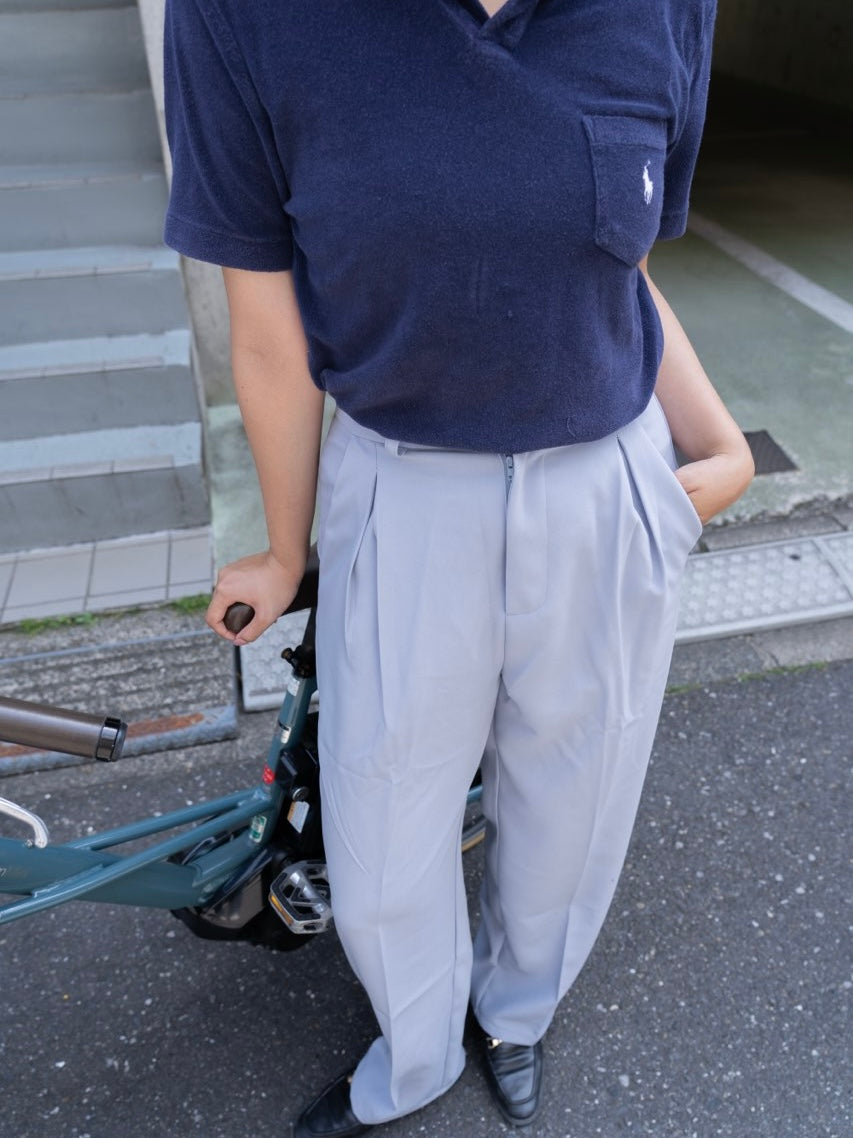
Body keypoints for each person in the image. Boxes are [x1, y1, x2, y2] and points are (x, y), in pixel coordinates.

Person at [163, 1, 753, 1134]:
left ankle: (515, 1013)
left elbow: (617, 264)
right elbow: (269, 332)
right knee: (383, 815)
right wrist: (285, 549)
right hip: (404, 480)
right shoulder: (243, 16)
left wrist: (715, 447)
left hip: (604, 479)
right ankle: (417, 1051)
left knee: (577, 791)